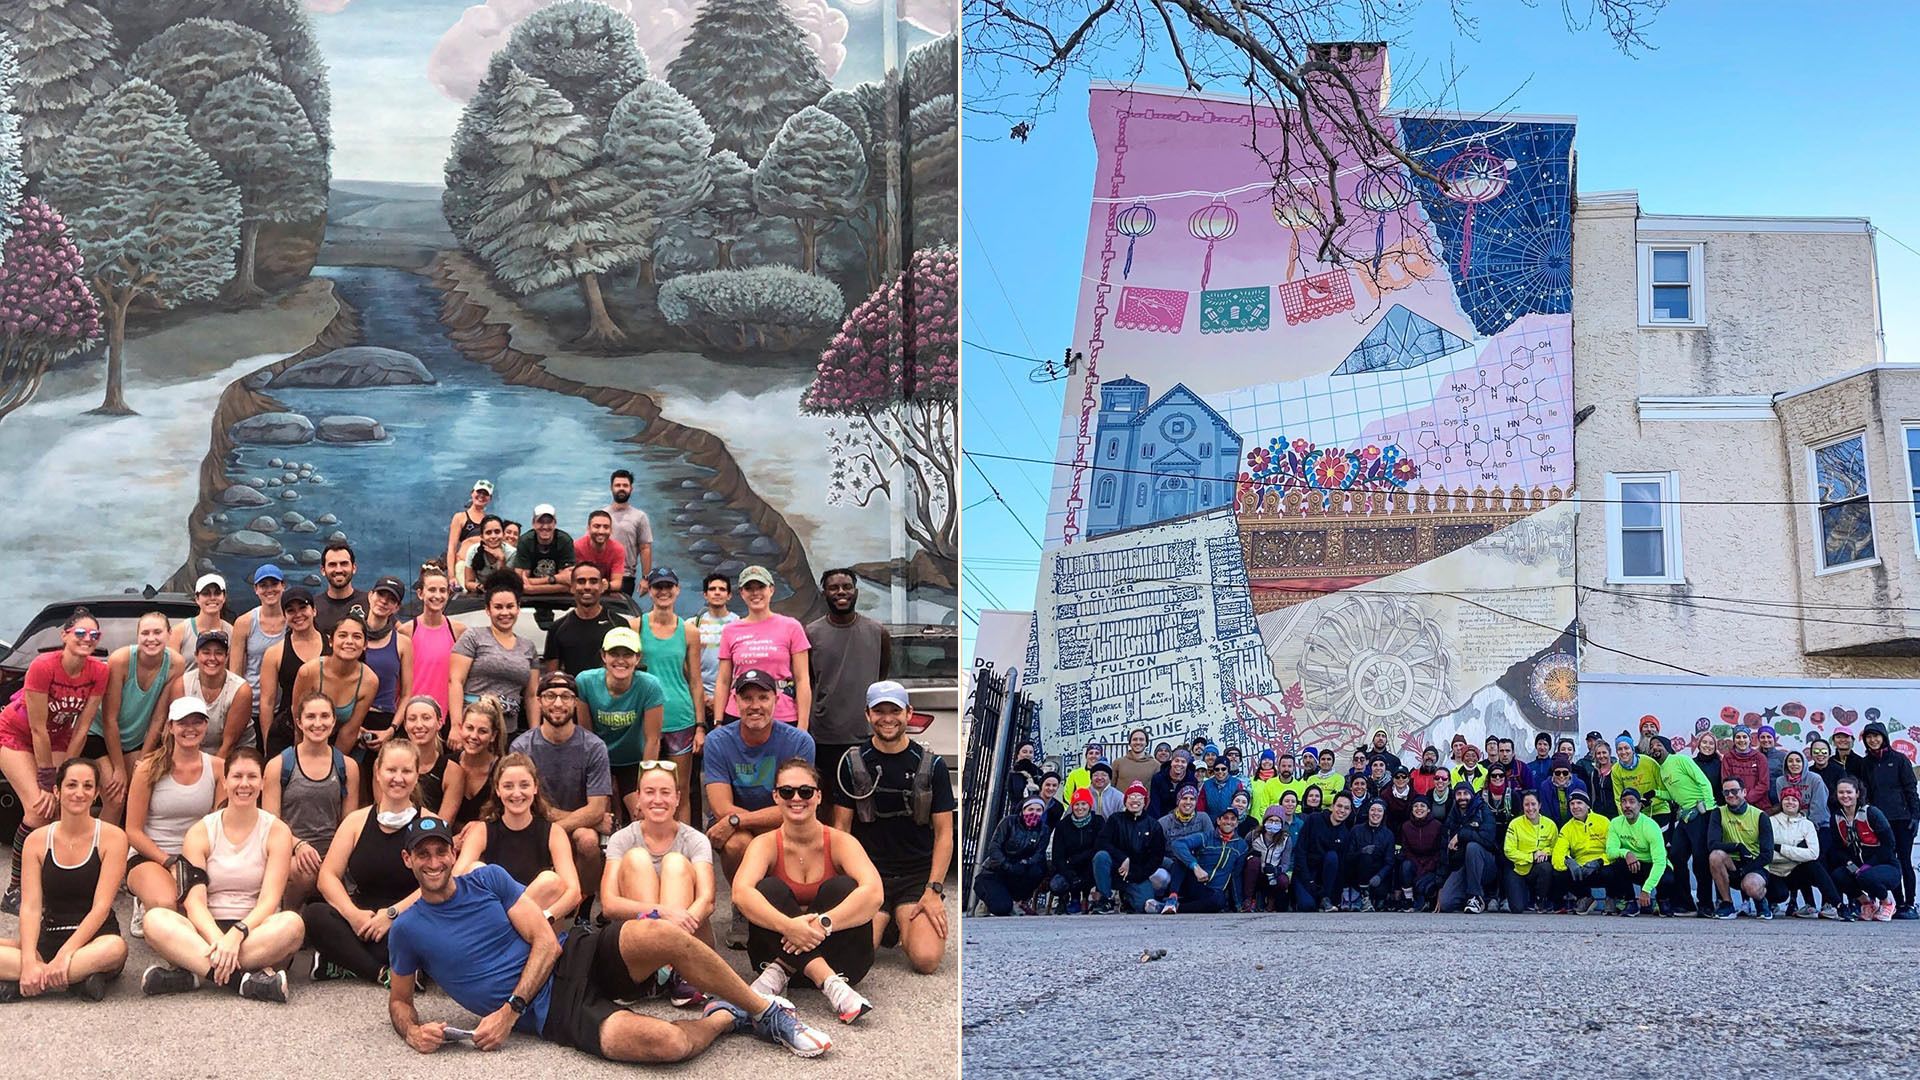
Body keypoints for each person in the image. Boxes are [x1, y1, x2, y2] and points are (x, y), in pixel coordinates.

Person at [386, 816, 834, 1062]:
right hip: (555, 1014)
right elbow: (400, 1002)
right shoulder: (407, 929)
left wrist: (508, 1012)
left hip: (571, 957)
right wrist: (412, 1032)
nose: (433, 861)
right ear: (407, 859)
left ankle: (767, 1013)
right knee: (669, 1046)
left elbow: (545, 942)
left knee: (662, 933)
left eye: (440, 850)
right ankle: (724, 1016)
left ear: (452, 852)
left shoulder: (488, 880)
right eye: (422, 854)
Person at [139, 748, 304, 1001]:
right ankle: (244, 982)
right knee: (154, 920)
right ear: (225, 782)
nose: (244, 784)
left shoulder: (277, 831)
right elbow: (194, 903)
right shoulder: (200, 831)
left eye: (252, 777)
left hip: (254, 929)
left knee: (293, 925)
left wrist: (237, 935)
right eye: (237, 776)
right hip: (206, 930)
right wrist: (220, 941)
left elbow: (270, 900)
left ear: (262, 782)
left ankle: (194, 970)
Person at [734, 760, 883, 1026]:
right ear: (776, 796)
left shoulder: (841, 841)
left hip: (842, 962)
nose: (796, 798)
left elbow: (874, 893)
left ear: (818, 795)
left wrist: (822, 924)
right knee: (767, 889)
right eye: (787, 791)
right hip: (771, 960)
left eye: (805, 791)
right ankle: (831, 985)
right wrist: (789, 926)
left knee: (843, 887)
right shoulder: (764, 844)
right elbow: (741, 893)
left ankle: (784, 969)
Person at [826, 680, 953, 971]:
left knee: (926, 959)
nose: (887, 718)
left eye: (894, 710)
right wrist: (843, 887)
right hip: (869, 874)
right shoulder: (852, 762)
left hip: (915, 875)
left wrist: (933, 891)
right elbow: (841, 830)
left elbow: (945, 833)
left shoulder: (932, 765)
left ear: (909, 713)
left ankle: (901, 923)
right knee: (852, 957)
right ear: (868, 715)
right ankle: (886, 924)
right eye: (879, 711)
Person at [1, 608, 109, 910]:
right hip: (17, 734)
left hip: (60, 736)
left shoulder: (99, 672)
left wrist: (64, 777)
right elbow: (37, 729)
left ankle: (54, 885)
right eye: (80, 633)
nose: (87, 639)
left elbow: (83, 727)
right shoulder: (43, 666)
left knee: (63, 809)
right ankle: (15, 888)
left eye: (94, 635)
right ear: (65, 635)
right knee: (38, 809)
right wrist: (50, 784)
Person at [703, 669, 816, 945]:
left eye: (763, 697)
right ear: (735, 702)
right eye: (747, 698)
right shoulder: (717, 741)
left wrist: (737, 820)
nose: (755, 706)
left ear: (776, 700)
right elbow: (721, 807)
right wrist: (737, 822)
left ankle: (786, 905)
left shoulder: (799, 742)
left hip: (783, 824)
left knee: (797, 825)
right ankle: (743, 907)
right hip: (738, 828)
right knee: (736, 844)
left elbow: (797, 805)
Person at [0, 758, 127, 1001]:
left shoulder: (113, 838)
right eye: (71, 785)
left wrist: (66, 954)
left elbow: (101, 907)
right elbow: (30, 907)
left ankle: (26, 984)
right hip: (47, 941)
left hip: (94, 941)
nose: (79, 793)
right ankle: (72, 979)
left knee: (116, 949)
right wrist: (28, 960)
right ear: (57, 791)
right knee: (24, 954)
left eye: (88, 786)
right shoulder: (36, 841)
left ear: (96, 794)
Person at [303, 738, 428, 983]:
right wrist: (353, 915)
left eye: (406, 771)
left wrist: (392, 915)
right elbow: (327, 876)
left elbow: (436, 884)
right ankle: (382, 973)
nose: (398, 778)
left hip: (407, 918)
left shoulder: (429, 824)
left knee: (428, 936)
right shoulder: (356, 821)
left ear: (417, 775)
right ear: (378, 773)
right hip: (361, 920)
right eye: (391, 770)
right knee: (315, 914)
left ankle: (343, 962)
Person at [124, 696, 228, 939]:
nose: (190, 729)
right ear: (170, 727)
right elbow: (133, 831)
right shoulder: (147, 768)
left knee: (206, 912)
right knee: (167, 905)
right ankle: (144, 900)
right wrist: (169, 862)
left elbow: (218, 820)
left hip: (198, 856)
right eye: (183, 723)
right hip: (151, 855)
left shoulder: (219, 767)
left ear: (206, 726)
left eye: (197, 722)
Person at [509, 672, 613, 914]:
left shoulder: (594, 746)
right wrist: (587, 818)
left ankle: (583, 909)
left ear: (575, 703)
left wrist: (557, 827)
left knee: (587, 840)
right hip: (534, 822)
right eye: (550, 696)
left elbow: (598, 808)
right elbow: (526, 802)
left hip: (572, 828)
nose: (558, 703)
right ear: (539, 701)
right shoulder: (521, 747)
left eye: (566, 696)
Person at [602, 762, 718, 972]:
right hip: (640, 939)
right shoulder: (622, 839)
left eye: (665, 792)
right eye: (649, 792)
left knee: (675, 863)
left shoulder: (695, 839)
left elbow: (707, 900)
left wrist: (675, 928)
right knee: (636, 858)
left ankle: (671, 968)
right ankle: (657, 966)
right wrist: (662, 913)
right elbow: (609, 904)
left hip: (689, 939)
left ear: (677, 798)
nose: (658, 800)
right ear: (638, 797)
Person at [453, 752, 582, 922]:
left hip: (536, 919)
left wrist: (546, 917)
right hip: (491, 918)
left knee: (550, 881)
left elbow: (574, 892)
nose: (516, 793)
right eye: (508, 786)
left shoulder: (554, 832)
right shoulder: (482, 831)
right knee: (475, 869)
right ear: (498, 790)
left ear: (535, 788)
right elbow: (457, 878)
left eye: (524, 785)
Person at [264, 692, 359, 909]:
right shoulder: (279, 766)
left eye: (325, 716)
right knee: (304, 871)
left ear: (334, 721)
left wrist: (336, 860)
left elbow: (349, 823)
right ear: (299, 721)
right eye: (311, 717)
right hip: (292, 850)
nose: (318, 723)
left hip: (333, 850)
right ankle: (289, 914)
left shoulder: (347, 767)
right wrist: (298, 845)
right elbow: (271, 823)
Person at [805, 568, 889, 804]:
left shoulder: (878, 632)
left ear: (856, 592)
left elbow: (880, 676)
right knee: (827, 802)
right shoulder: (811, 634)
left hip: (866, 735)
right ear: (824, 593)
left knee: (867, 801)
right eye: (834, 587)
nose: (841, 592)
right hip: (824, 736)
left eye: (847, 587)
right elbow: (808, 681)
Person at [91, 611, 179, 824]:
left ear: (169, 634)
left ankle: (130, 848)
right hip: (99, 734)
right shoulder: (120, 660)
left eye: (157, 632)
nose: (151, 639)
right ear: (137, 636)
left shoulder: (175, 664)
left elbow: (159, 718)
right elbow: (109, 719)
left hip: (133, 740)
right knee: (116, 797)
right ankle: (101, 850)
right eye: (145, 633)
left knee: (139, 791)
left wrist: (142, 760)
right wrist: (119, 768)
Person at [577, 627, 667, 822]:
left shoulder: (650, 686)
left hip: (634, 760)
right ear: (603, 655)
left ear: (637, 657)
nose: (621, 660)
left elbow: (653, 740)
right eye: (614, 654)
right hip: (599, 759)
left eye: (627, 654)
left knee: (644, 814)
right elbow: (586, 735)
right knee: (600, 816)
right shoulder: (585, 682)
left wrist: (646, 787)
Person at [637, 571, 703, 819]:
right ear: (650, 590)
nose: (663, 592)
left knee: (680, 791)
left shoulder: (689, 632)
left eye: (668, 587)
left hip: (680, 717)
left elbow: (695, 681)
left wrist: (700, 726)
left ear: (677, 590)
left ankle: (682, 851)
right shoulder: (636, 625)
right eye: (657, 587)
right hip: (644, 719)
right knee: (645, 789)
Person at [713, 566, 811, 731]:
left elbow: (802, 679)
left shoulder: (792, 627)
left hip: (783, 715)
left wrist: (803, 724)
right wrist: (718, 722)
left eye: (760, 587)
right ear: (742, 593)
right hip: (738, 715)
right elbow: (723, 681)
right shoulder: (730, 630)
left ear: (771, 590)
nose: (755, 593)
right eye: (749, 588)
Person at [449, 571, 541, 734]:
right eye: (498, 607)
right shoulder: (473, 637)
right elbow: (455, 681)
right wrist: (456, 726)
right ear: (488, 610)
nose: (505, 613)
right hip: (473, 730)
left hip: (508, 732)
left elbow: (532, 696)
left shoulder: (529, 647)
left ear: (518, 608)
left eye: (510, 606)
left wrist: (535, 735)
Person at [291, 614, 379, 758]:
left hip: (340, 744)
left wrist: (332, 764)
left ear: (365, 645)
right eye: (342, 635)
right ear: (331, 641)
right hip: (300, 737)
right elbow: (298, 720)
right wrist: (303, 760)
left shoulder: (369, 681)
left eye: (357, 637)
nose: (349, 641)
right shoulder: (308, 672)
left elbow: (350, 731)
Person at [1856, 720, 1919, 918]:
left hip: (1902, 819)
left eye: (1876, 736)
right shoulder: (1865, 763)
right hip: (1879, 821)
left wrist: (1915, 816)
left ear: (1884, 737)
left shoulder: (1900, 759)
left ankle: (1909, 904)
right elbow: (1864, 793)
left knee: (1905, 861)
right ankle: (1893, 903)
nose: (1873, 740)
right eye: (1869, 737)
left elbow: (1911, 789)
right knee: (1885, 862)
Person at [1649, 734, 1715, 915]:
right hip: (1684, 817)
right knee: (1676, 856)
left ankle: (1706, 904)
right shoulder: (1662, 770)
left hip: (1700, 813)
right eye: (1652, 746)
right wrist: (1655, 793)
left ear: (1667, 746)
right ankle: (1685, 903)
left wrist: (1708, 810)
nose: (1655, 748)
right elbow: (1674, 795)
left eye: (1658, 744)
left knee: (1701, 861)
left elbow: (1703, 782)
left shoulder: (1681, 760)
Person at [162, 630, 253, 760]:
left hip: (234, 752)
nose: (212, 658)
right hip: (193, 750)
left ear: (227, 657)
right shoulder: (181, 685)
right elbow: (175, 733)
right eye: (206, 652)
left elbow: (229, 744)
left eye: (219, 653)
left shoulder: (241, 690)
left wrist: (208, 774)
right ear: (196, 656)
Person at [258, 587, 324, 755]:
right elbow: (267, 702)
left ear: (314, 610)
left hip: (326, 727)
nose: (298, 614)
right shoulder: (274, 653)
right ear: (284, 616)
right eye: (291, 610)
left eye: (303, 608)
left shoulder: (332, 645)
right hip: (287, 731)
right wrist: (268, 743)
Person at [1828, 775, 1900, 922]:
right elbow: (1837, 848)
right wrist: (1850, 864)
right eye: (1841, 792)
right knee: (1838, 875)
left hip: (1886, 866)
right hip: (1859, 867)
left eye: (1849, 792)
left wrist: (1869, 865)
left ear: (1857, 793)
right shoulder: (1836, 817)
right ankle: (1867, 903)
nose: (1845, 796)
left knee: (1867, 876)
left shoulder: (1872, 813)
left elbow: (1889, 845)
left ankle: (1888, 902)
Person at [230, 565, 288, 746]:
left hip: (284, 706)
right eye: (263, 585)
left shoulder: (294, 621)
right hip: (252, 706)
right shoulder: (245, 622)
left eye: (274, 584)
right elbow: (235, 671)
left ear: (283, 586)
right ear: (256, 589)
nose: (269, 589)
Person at [358, 577, 416, 752]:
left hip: (384, 722)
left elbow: (406, 694)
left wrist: (391, 730)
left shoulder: (403, 643)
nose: (384, 601)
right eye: (381, 594)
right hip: (351, 720)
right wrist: (352, 726)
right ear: (370, 596)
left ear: (397, 607)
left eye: (391, 599)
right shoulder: (351, 636)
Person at [1089, 781, 1164, 913]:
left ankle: (1127, 898)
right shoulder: (1115, 820)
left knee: (1144, 906)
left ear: (1145, 801)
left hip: (1137, 874)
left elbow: (1156, 857)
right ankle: (1106, 899)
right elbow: (1101, 842)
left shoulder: (1153, 825)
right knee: (1101, 856)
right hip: (1114, 870)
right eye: (1131, 797)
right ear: (1125, 800)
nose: (1135, 800)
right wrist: (1123, 858)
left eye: (1139, 797)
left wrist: (1138, 875)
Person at [1706, 776, 1775, 918]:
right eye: (1726, 792)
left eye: (1734, 791)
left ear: (1744, 792)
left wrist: (1745, 870)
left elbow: (1767, 855)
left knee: (1752, 886)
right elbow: (1712, 844)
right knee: (1715, 855)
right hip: (1731, 863)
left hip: (1754, 863)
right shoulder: (1718, 812)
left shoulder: (1760, 816)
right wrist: (1738, 846)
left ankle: (1761, 901)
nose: (1730, 795)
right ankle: (1727, 904)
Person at [1766, 786, 1839, 920]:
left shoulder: (1807, 824)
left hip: (1795, 871)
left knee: (1813, 865)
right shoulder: (1770, 821)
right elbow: (1767, 853)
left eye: (1794, 800)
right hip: (1774, 872)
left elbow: (1813, 854)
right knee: (1780, 894)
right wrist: (1797, 854)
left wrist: (1781, 848)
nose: (1790, 802)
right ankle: (1768, 903)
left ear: (1799, 803)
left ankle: (1837, 905)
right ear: (1781, 802)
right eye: (1786, 799)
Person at [400, 565, 462, 720]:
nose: (437, 595)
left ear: (448, 594)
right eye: (432, 590)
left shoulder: (459, 631)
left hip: (446, 718)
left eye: (442, 590)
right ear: (421, 593)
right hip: (413, 717)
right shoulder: (406, 631)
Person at [543, 561, 622, 678]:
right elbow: (552, 678)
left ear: (602, 586)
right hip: (572, 695)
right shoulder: (557, 628)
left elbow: (626, 668)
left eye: (593, 581)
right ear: (572, 587)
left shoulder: (618, 625)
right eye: (581, 581)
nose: (587, 587)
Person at [972, 797, 1048, 916]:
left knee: (1038, 870)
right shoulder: (1008, 822)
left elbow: (1039, 854)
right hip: (994, 871)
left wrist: (1025, 863)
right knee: (1001, 908)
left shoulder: (1043, 829)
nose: (1034, 813)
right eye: (1030, 809)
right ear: (1023, 810)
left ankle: (1018, 901)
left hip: (1019, 871)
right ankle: (988, 901)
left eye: (1039, 810)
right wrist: (1007, 865)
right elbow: (994, 848)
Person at [1166, 806, 1247, 915]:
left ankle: (1175, 907)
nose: (1229, 822)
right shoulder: (1206, 837)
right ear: (1219, 821)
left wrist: (1238, 904)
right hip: (1195, 884)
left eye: (1233, 819)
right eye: (1225, 818)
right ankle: (1172, 898)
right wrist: (1195, 866)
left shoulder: (1241, 846)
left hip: (1213, 892)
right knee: (1181, 859)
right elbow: (1178, 844)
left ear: (1237, 823)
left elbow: (1236, 875)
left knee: (1219, 900)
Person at [400, 696, 465, 824]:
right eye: (412, 719)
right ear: (405, 725)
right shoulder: (386, 764)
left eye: (426, 718)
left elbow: (444, 824)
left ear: (439, 723)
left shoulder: (452, 771)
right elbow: (385, 812)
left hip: (432, 837)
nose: (419, 725)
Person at [1604, 789, 1667, 917]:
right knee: (1614, 867)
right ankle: (1630, 902)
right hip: (1633, 866)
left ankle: (1662, 901)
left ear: (1639, 805)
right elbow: (1610, 852)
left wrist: (1646, 890)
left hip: (1651, 865)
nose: (1627, 805)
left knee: (1668, 878)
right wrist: (1626, 853)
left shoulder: (1651, 826)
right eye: (1624, 802)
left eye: (1632, 802)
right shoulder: (1615, 823)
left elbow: (1660, 862)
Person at [1436, 782, 1497, 914]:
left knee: (1473, 847)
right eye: (1459, 794)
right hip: (1462, 866)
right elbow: (1444, 849)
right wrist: (1441, 883)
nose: (1462, 797)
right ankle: (1472, 897)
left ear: (1472, 795)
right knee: (1446, 903)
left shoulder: (1483, 810)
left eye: (1465, 793)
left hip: (1486, 864)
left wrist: (1462, 834)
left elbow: (1488, 840)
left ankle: (1475, 896)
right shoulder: (1452, 816)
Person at [452, 697, 510, 829]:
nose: (474, 736)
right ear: (461, 728)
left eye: (482, 731)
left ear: (493, 735)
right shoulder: (447, 764)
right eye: (469, 728)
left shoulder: (503, 770)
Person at [1292, 790, 1352, 912]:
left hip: (1325, 880)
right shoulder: (1314, 820)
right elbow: (1300, 851)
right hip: (1305, 873)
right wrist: (1308, 880)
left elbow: (1340, 869)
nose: (1342, 810)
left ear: (1350, 812)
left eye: (1346, 808)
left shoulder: (1346, 834)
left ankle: (1325, 898)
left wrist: (1335, 897)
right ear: (1332, 806)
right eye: (1339, 806)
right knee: (1307, 906)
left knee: (1332, 856)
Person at [1502, 791, 1558, 914]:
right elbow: (1508, 850)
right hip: (1518, 869)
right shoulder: (1515, 824)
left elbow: (1556, 848)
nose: (1530, 808)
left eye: (1533, 804)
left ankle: (1540, 900)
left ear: (1540, 805)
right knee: (1517, 908)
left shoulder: (1550, 825)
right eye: (1527, 805)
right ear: (1522, 806)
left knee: (1546, 867)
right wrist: (1531, 857)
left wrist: (1545, 852)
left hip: (1538, 868)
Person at [1047, 788, 1102, 913]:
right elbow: (1057, 856)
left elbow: (1099, 847)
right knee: (1056, 885)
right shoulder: (1063, 826)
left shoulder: (1098, 822)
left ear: (1089, 805)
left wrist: (1079, 858)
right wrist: (1069, 874)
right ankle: (1070, 899)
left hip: (1090, 867)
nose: (1080, 808)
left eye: (1083, 804)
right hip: (1069, 867)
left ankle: (1096, 901)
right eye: (1077, 804)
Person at [604, 469, 654, 593]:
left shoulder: (639, 516)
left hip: (626, 576)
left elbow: (645, 548)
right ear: (611, 488)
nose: (621, 488)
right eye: (617, 485)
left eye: (625, 485)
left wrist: (646, 578)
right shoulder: (601, 515)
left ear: (631, 488)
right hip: (601, 574)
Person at [693, 574, 740, 702]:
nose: (717, 593)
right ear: (705, 594)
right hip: (700, 696)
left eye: (722, 589)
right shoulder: (693, 624)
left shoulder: (739, 624)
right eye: (712, 589)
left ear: (729, 595)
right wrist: (703, 697)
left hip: (732, 696)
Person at [1345, 799, 1397, 912]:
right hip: (1358, 873)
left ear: (1383, 814)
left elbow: (1390, 862)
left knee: (1380, 895)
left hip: (1377, 875)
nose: (1375, 813)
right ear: (1368, 812)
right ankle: (1364, 897)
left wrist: (1380, 876)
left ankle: (1375, 897)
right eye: (1373, 810)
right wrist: (1361, 852)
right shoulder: (1356, 830)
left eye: (1379, 811)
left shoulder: (1388, 835)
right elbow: (1348, 856)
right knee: (1366, 856)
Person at [515, 503, 576, 596]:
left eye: (549, 522)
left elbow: (569, 583)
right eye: (541, 522)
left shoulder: (565, 541)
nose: (545, 526)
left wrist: (532, 589)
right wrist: (557, 579)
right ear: (533, 523)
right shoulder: (525, 542)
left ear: (555, 523)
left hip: (558, 597)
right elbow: (519, 582)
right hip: (531, 598)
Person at [313, 543, 370, 638]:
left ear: (354, 568)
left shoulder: (370, 602)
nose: (338, 570)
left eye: (344, 564)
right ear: (323, 570)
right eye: (332, 565)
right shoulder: (312, 607)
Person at [446, 479, 495, 583]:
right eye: (479, 492)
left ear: (490, 498)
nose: (481, 496)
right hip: (463, 567)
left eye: (485, 494)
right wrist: (451, 576)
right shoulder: (460, 517)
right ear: (472, 493)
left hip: (484, 570)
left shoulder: (490, 521)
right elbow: (452, 548)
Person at [171, 574, 233, 655]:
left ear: (224, 597)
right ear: (197, 598)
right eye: (206, 593)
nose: (212, 598)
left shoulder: (232, 633)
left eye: (217, 593)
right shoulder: (179, 631)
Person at [1772, 751, 1830, 830]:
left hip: (1818, 824)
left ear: (1804, 763)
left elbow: (1818, 806)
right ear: (1786, 764)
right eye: (1790, 761)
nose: (1794, 764)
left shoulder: (1815, 779)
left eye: (1798, 761)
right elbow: (1785, 806)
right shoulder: (1780, 781)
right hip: (1792, 823)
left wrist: (1810, 827)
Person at [574, 510, 627, 594]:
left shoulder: (617, 549)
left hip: (606, 592)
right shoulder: (577, 547)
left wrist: (607, 585)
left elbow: (617, 583)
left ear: (611, 530)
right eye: (597, 526)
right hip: (582, 592)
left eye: (606, 527)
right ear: (588, 528)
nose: (601, 531)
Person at [461, 515, 511, 594]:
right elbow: (468, 583)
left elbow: (506, 585)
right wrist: (480, 587)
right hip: (481, 594)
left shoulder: (512, 553)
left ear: (503, 534)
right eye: (488, 533)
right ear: (482, 537)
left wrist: (501, 560)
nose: (493, 536)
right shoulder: (473, 551)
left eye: (497, 532)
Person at [1533, 757, 1590, 826]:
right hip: (1552, 825)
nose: (1561, 776)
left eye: (1565, 773)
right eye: (1557, 773)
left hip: (1576, 824)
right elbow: (1546, 811)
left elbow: (1583, 809)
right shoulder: (1545, 786)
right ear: (1553, 773)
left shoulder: (1579, 784)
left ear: (1570, 773)